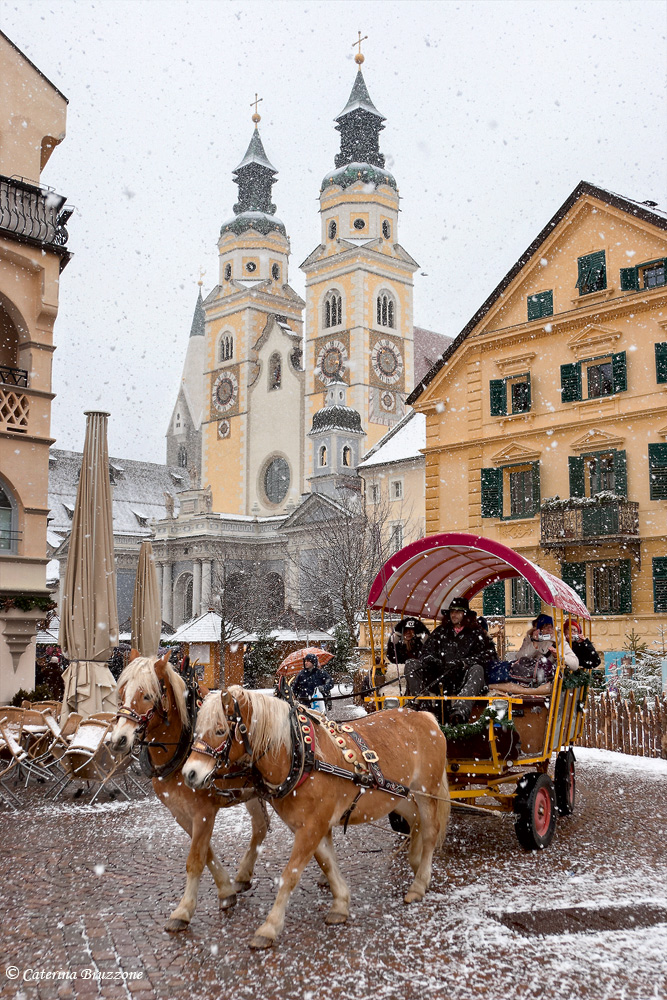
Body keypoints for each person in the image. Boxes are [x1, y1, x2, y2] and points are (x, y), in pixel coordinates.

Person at [406, 597, 497, 724]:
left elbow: (488, 656)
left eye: (458, 612)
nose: (454, 615)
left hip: (461, 679)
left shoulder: (476, 633)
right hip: (438, 677)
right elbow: (425, 652)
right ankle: (422, 704)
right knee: (411, 664)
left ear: (465, 614)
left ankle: (460, 710)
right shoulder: (440, 632)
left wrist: (464, 662)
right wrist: (430, 659)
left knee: (478, 669)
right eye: (452, 611)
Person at [510, 613, 578, 686]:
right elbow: (519, 657)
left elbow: (575, 664)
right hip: (528, 680)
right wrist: (534, 644)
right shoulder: (529, 640)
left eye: (551, 627)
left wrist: (559, 655)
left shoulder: (560, 642)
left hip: (550, 682)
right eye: (545, 627)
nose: (549, 630)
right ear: (539, 629)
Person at [384, 618, 430, 696]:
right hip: (405, 669)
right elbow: (391, 656)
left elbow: (423, 655)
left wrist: (420, 641)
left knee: (411, 665)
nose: (408, 633)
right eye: (405, 630)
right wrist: (394, 641)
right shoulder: (399, 645)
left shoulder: (419, 644)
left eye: (411, 630)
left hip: (417, 670)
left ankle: (416, 697)